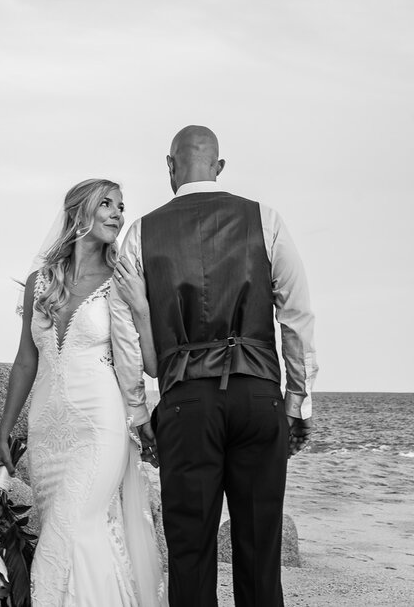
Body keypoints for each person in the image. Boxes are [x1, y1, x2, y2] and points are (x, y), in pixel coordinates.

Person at [110, 125, 318, 607]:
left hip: (186, 405)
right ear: (218, 167)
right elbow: (296, 315)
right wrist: (297, 400)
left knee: (190, 552)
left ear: (170, 165)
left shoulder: (140, 232)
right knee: (260, 550)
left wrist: (139, 415)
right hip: (257, 395)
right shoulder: (265, 219)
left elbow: (125, 334)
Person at [0, 178, 166, 607]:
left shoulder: (125, 280)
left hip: (100, 424)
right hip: (48, 429)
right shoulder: (40, 282)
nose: (117, 214)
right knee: (71, 530)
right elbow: (26, 362)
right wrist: (3, 434)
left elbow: (152, 361)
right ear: (77, 213)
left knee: (72, 528)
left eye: (121, 206)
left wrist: (142, 308)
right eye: (106, 204)